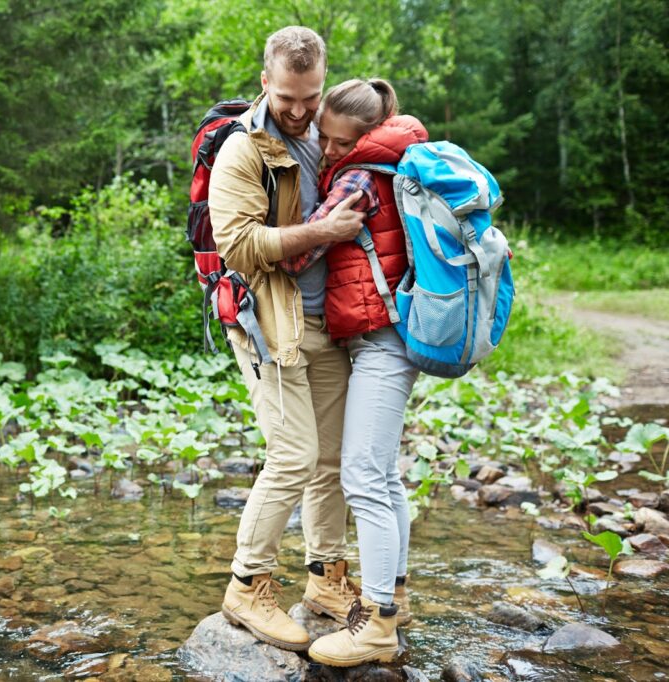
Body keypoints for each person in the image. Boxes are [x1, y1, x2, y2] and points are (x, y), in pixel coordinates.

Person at [207, 26, 368, 652]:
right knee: (294, 456)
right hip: (267, 324)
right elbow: (242, 247)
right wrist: (324, 232)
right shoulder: (241, 151)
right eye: (288, 99)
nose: (300, 111)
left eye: (311, 96)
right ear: (265, 82)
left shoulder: (332, 137)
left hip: (328, 324)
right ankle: (246, 586)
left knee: (332, 461)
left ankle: (327, 580)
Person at [278, 78, 428, 666]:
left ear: (367, 136)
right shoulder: (394, 160)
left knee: (362, 477)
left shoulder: (360, 176)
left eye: (343, 142)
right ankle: (395, 596)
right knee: (384, 477)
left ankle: (378, 627)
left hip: (379, 340)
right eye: (327, 140)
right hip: (386, 335)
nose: (333, 151)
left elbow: (296, 254)